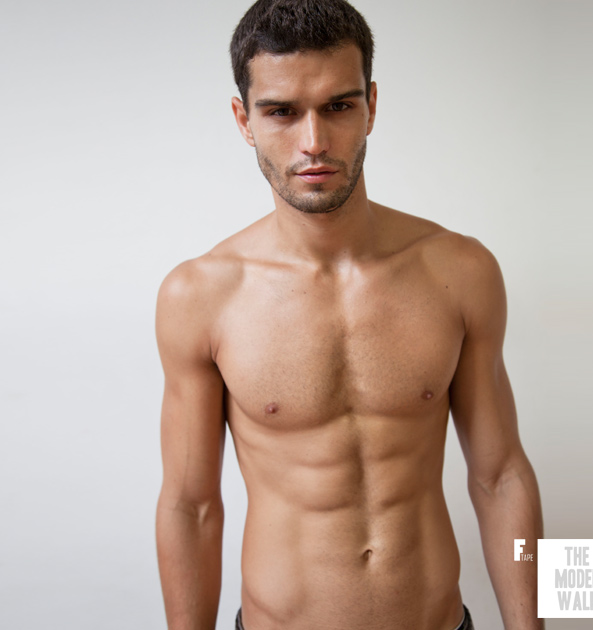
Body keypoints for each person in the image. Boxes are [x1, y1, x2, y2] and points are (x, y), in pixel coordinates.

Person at [155, 0, 544, 628]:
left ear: (371, 106)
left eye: (338, 106)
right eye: (281, 112)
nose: (313, 142)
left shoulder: (462, 270)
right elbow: (190, 506)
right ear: (244, 120)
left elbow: (503, 478)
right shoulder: (199, 294)